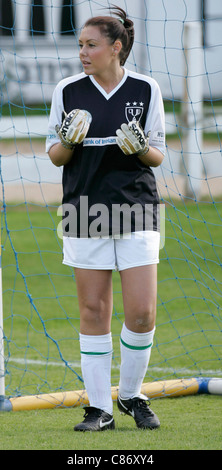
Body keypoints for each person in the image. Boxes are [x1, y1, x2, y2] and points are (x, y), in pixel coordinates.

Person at [46, 5, 165, 432]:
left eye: (90, 45)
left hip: (136, 206)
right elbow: (55, 156)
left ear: (116, 48)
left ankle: (132, 394)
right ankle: (100, 409)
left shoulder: (147, 89)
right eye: (80, 45)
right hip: (84, 207)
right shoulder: (68, 90)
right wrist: (67, 140)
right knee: (94, 309)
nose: (82, 52)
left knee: (142, 313)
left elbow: (157, 154)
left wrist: (138, 148)